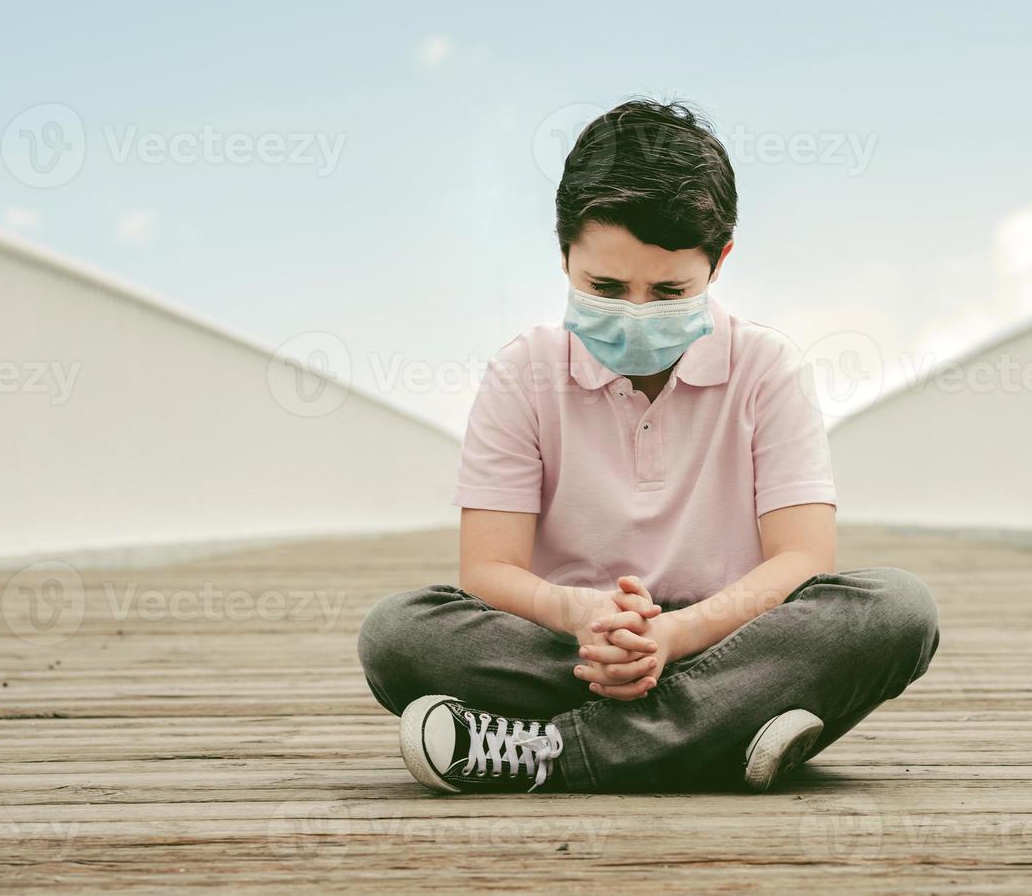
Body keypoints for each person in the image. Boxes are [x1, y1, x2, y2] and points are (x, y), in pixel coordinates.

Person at [358, 99, 940, 794]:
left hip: (730, 635)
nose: (634, 313)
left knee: (898, 611)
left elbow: (803, 557)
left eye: (668, 292)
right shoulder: (523, 373)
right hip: (576, 646)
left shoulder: (766, 368)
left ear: (719, 262)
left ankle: (548, 753)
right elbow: (488, 570)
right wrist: (585, 616)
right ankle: (725, 731)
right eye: (604, 287)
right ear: (563, 251)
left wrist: (675, 637)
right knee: (398, 635)